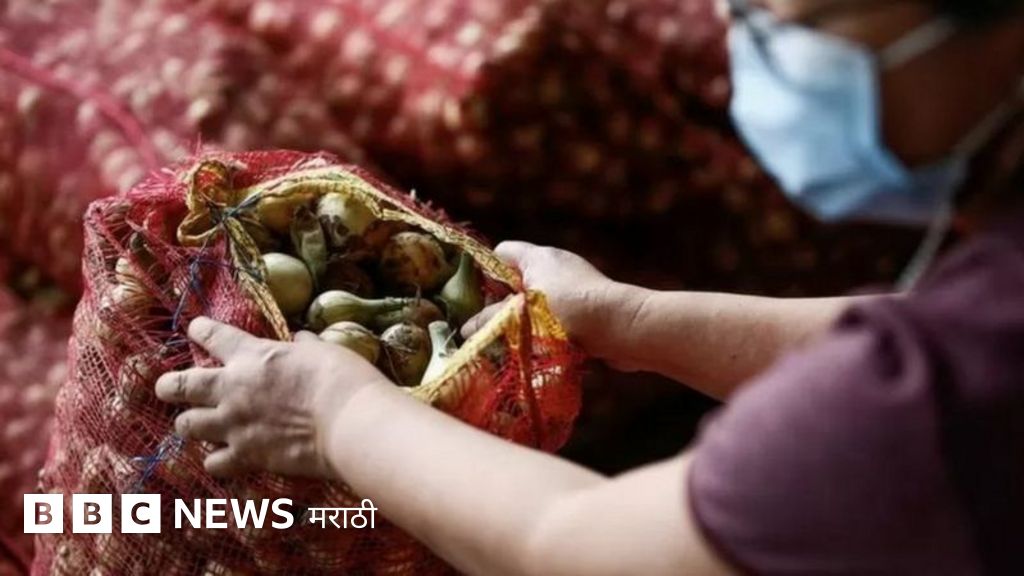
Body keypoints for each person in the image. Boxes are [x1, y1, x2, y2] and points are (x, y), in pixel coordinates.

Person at [155, 0, 1024, 573]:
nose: (748, 50)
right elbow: (920, 332)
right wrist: (632, 321)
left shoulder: (931, 407)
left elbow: (582, 548)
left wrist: (338, 419)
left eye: (792, 24)